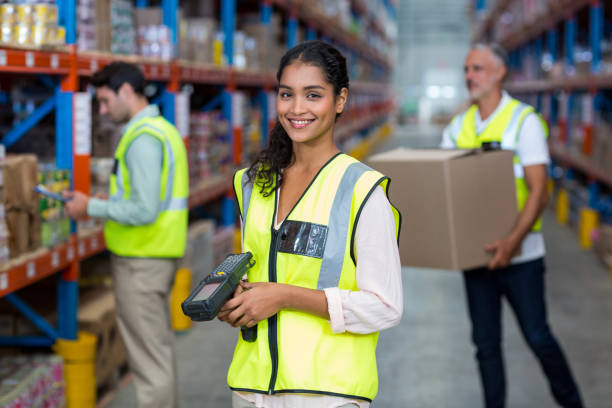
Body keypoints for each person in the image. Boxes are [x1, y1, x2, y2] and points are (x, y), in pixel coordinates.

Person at [217, 40, 403, 408]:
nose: (297, 109)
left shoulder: (361, 191)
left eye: (313, 95)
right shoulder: (253, 184)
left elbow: (385, 306)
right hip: (252, 389)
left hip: (326, 394)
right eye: (287, 95)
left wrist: (284, 296)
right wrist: (238, 299)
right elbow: (263, 269)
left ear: (340, 100)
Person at [440, 44, 583, 408]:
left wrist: (512, 242)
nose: (470, 76)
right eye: (467, 69)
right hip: (476, 257)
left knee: (538, 337)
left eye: (478, 68)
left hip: (522, 256)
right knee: (485, 346)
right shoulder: (458, 128)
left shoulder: (524, 122)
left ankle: (572, 403)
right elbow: (443, 187)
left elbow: (539, 190)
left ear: (500, 72)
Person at [64, 62, 188, 408]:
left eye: (105, 101)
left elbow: (146, 209)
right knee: (156, 354)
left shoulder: (143, 138)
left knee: (150, 364)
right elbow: (150, 197)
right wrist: (112, 201)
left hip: (143, 260)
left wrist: (90, 207)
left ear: (127, 92)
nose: (103, 111)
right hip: (154, 255)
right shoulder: (160, 129)